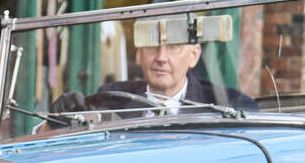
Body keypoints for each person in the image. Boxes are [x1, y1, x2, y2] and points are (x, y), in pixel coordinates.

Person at [52, 36, 258, 114]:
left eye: (174, 47)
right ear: (139, 55)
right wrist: (58, 120)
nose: (161, 57)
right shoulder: (111, 98)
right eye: (152, 47)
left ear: (194, 56)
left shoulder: (229, 104)